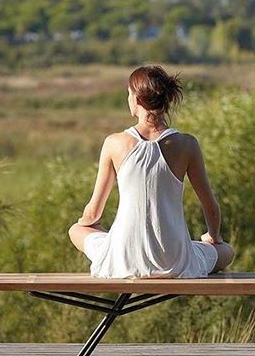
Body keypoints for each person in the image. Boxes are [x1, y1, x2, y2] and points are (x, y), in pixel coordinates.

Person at [68, 64, 235, 278]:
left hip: (123, 260)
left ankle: (118, 244)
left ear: (137, 100)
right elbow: (211, 208)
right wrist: (214, 236)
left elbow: (93, 214)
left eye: (129, 94)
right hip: (174, 262)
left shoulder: (114, 143)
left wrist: (90, 227)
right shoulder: (187, 144)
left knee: (76, 230)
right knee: (226, 251)